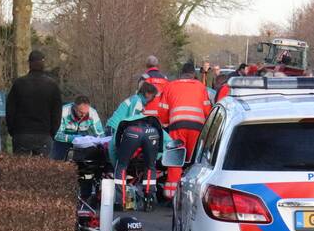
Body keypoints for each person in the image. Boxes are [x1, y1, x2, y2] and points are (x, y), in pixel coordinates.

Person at [156, 62, 213, 202]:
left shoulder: (171, 86)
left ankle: (171, 194)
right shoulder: (200, 87)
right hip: (197, 128)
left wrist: (165, 125)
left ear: (181, 74)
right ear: (193, 74)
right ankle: (192, 196)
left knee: (176, 160)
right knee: (195, 162)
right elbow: (207, 109)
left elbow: (163, 109)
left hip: (177, 126)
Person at [107, 82, 161, 210]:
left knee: (122, 164)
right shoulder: (137, 101)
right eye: (152, 97)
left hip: (125, 130)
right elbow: (133, 119)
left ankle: (121, 200)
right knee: (140, 166)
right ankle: (147, 198)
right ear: (147, 94)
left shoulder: (135, 100)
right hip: (116, 128)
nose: (152, 100)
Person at [5, 50, 63, 156]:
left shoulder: (19, 84)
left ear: (29, 63)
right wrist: (52, 133)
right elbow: (57, 113)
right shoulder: (52, 85)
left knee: (20, 168)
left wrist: (13, 131)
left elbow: (10, 110)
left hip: (21, 133)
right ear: (43, 63)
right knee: (41, 170)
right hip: (44, 134)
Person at [51, 95, 104, 161]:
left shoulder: (92, 113)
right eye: (81, 112)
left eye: (86, 113)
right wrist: (73, 138)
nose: (83, 115)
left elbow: (100, 134)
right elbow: (56, 135)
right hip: (63, 140)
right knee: (58, 159)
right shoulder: (63, 112)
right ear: (74, 108)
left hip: (82, 141)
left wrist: (101, 142)